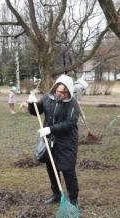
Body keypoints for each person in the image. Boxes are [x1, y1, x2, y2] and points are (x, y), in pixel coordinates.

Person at [28, 74, 80, 206]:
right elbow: (36, 111)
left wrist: (50, 129)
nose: (60, 94)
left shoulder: (73, 104)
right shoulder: (48, 98)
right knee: (52, 169)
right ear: (55, 88)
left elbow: (70, 123)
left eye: (64, 92)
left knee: (68, 170)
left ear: (69, 91)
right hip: (50, 142)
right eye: (58, 91)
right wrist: (31, 103)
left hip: (67, 142)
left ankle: (73, 199)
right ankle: (56, 194)